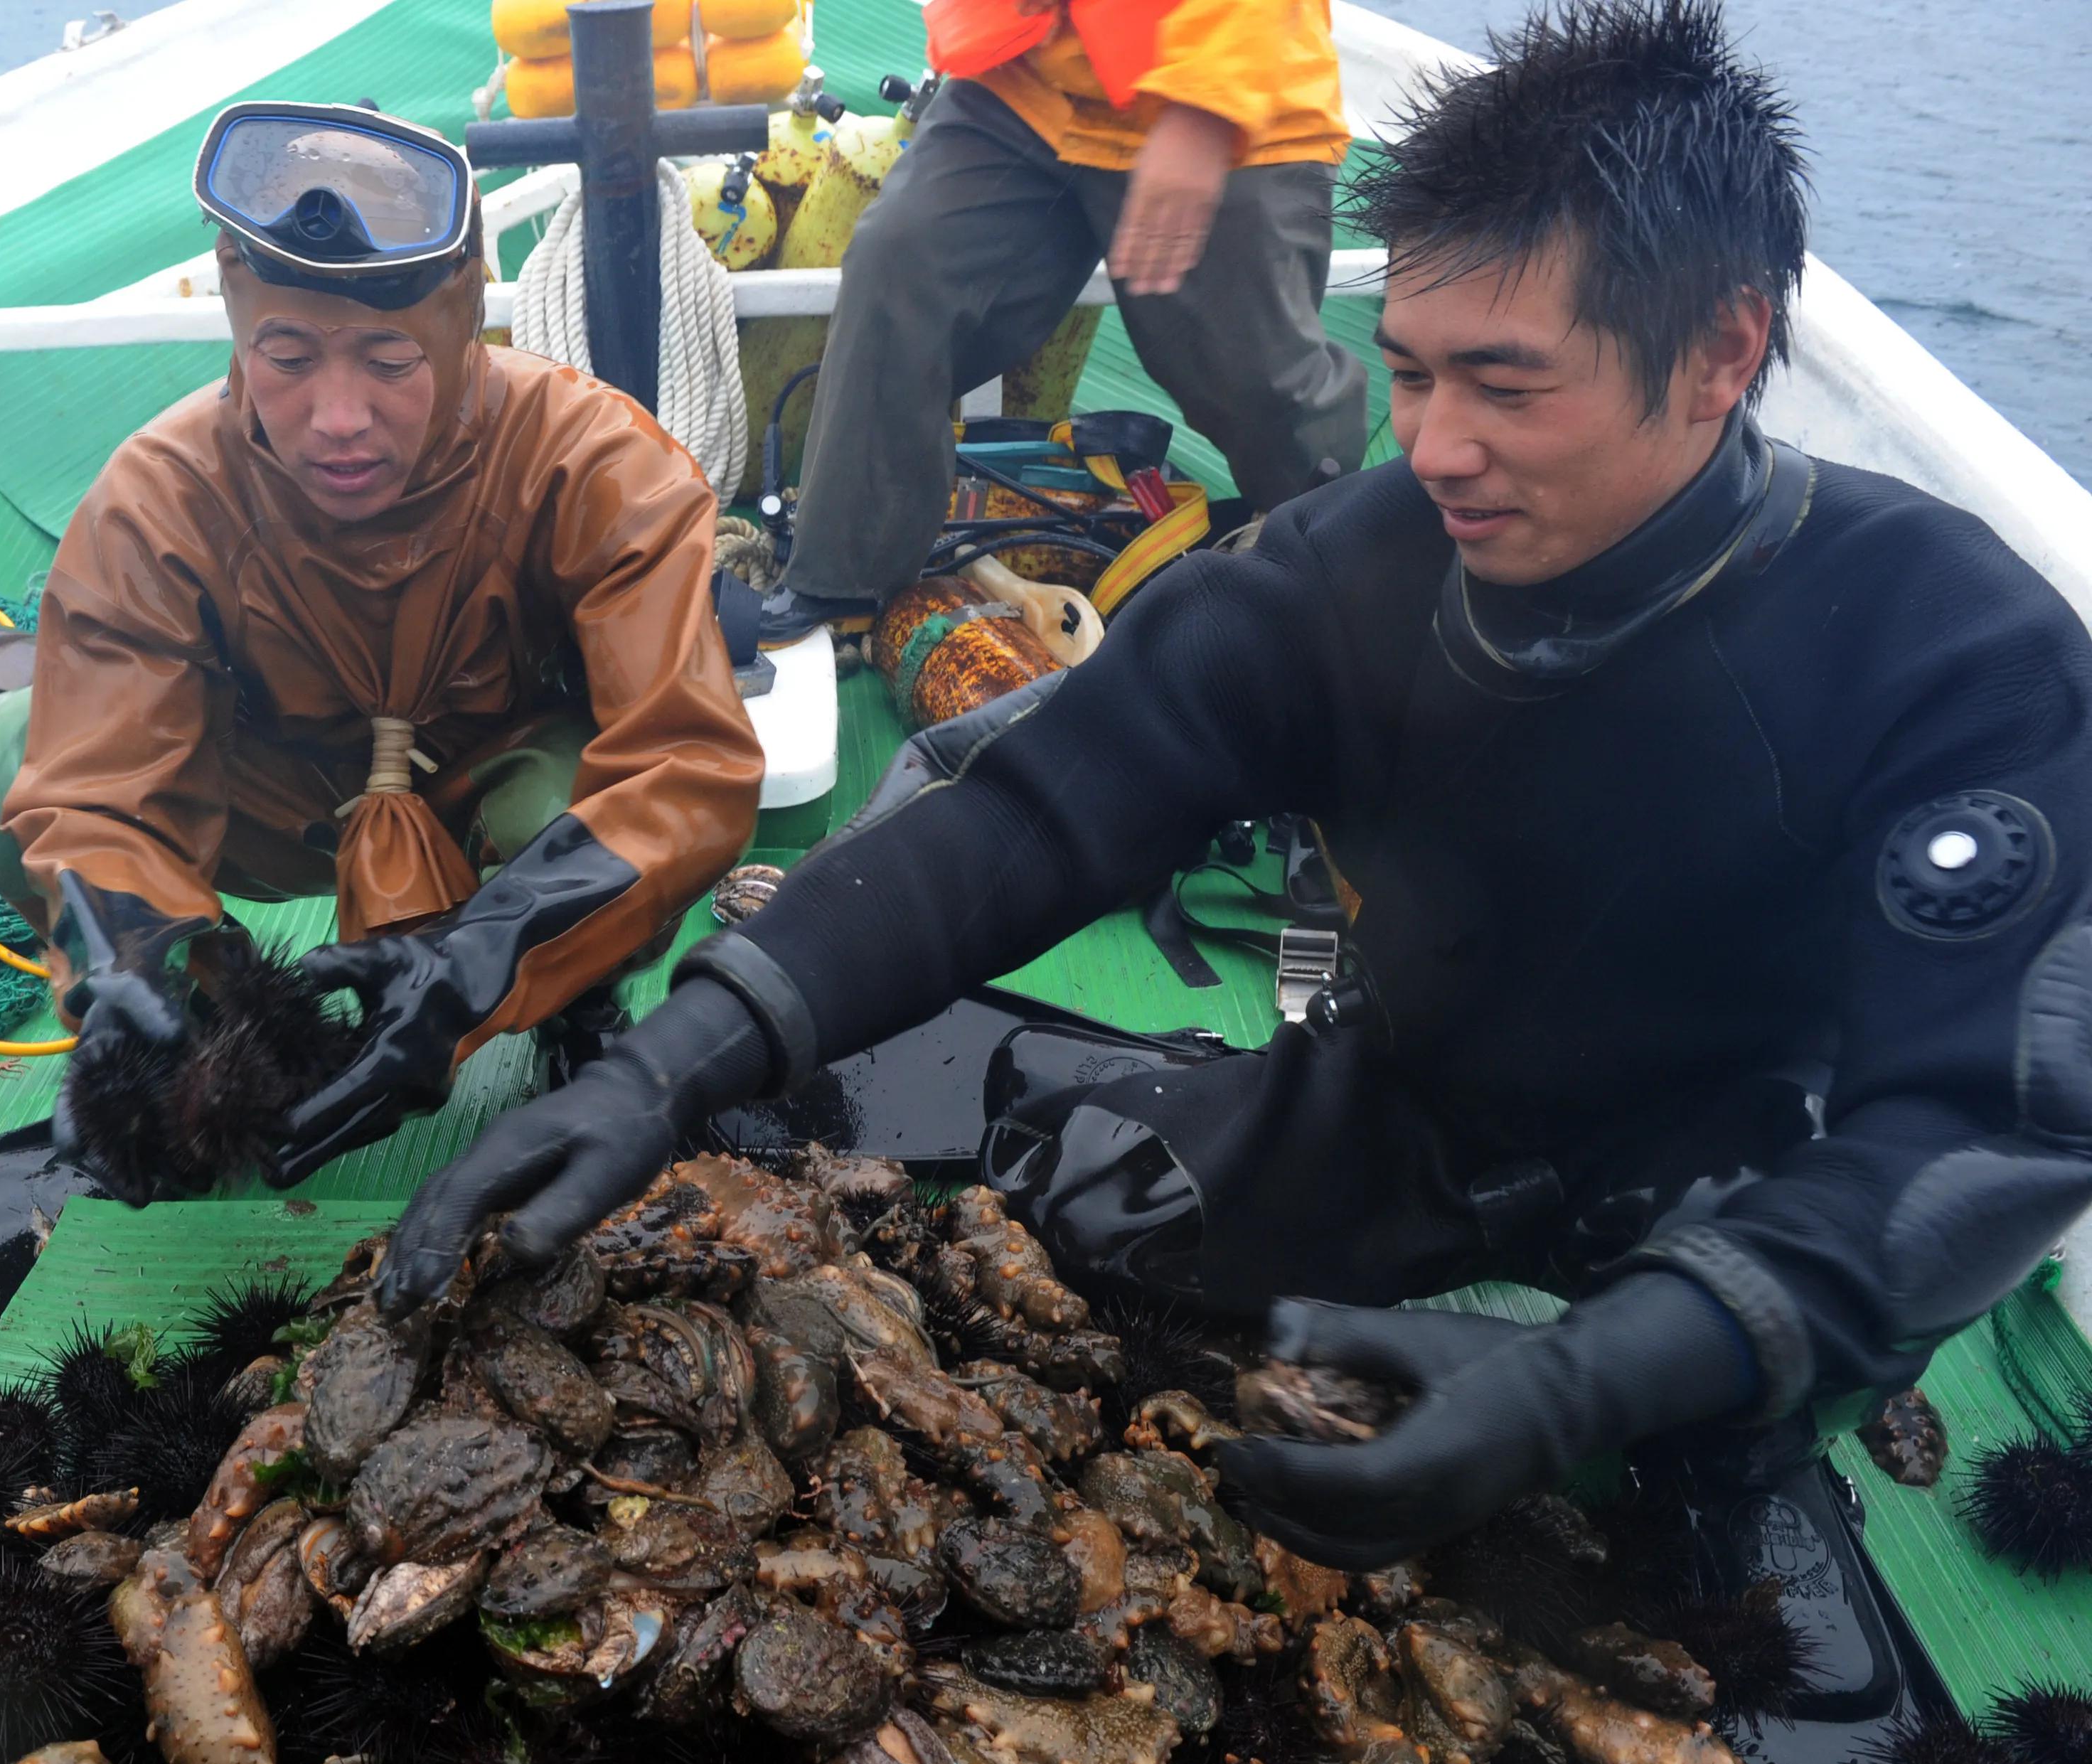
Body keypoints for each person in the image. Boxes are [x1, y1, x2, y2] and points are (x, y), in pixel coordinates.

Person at [378, 0, 2092, 1568]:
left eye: (1506, 384)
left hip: (1732, 1185)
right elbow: (1037, 810)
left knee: (1660, 1514)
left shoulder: (1950, 645)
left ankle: (1678, 1402)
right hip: (1418, 1100)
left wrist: (1589, 1379)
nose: (1433, 449)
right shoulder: (1356, 562)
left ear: (1722, 353)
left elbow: (1983, 1122)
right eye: (1410, 371)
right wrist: (681, 1062)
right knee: (1091, 1213)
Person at [0, 103, 764, 1197]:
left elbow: (686, 767)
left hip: (491, 782)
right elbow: (98, 793)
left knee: (577, 815)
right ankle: (196, 1035)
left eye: (389, 358)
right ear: (239, 330)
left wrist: (486, 957)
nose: (336, 416)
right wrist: (118, 961)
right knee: (6, 758)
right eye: (286, 355)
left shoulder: (595, 460)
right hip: (289, 800)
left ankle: (576, 997)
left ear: (464, 325)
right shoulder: (157, 498)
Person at [755, 0, 1370, 638]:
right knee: (900, 264)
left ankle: (1338, 573)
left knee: (1251, 376)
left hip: (1222, 85)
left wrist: (1203, 111)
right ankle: (845, 578)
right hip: (1029, 80)